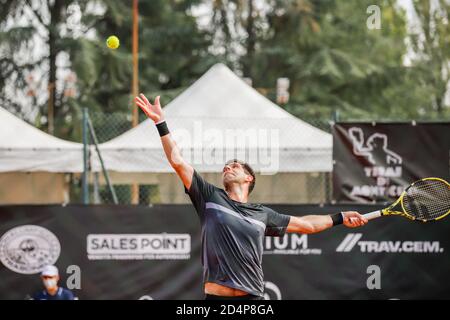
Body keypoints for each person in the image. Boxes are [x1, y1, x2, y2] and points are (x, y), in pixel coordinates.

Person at [134, 94, 369, 300]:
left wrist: (340, 217)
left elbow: (307, 225)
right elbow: (177, 161)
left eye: (236, 165)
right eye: (226, 166)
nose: (229, 167)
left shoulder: (262, 214)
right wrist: (161, 123)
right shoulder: (209, 197)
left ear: (249, 179)